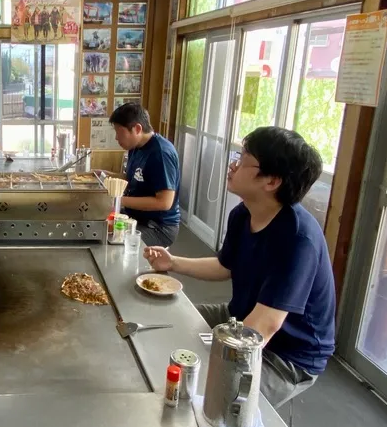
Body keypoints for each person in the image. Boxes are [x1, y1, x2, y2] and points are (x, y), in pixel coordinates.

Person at [143, 126, 335, 408]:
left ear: (271, 181)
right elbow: (225, 266)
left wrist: (214, 365)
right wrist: (173, 263)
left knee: (215, 399)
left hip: (286, 356)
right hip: (240, 315)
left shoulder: (297, 239)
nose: (233, 164)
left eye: (243, 159)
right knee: (170, 321)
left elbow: (264, 327)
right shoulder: (243, 213)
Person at [106, 102, 180, 247]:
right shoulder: (136, 147)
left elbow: (164, 202)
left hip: (158, 228)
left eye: (119, 132)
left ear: (137, 129)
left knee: (114, 242)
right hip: (135, 217)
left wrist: (118, 200)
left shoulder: (161, 153)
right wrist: (106, 175)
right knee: (102, 225)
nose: (116, 138)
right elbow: (131, 178)